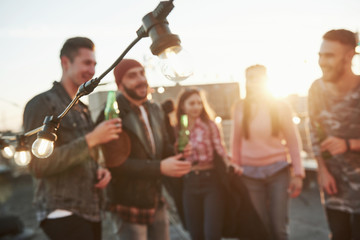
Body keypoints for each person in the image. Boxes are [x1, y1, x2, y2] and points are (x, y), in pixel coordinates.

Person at [23, 37, 122, 240]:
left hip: (90, 209)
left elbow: (85, 154)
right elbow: (38, 166)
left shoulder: (82, 108)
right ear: (65, 62)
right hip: (62, 212)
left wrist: (100, 169)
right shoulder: (42, 104)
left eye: (94, 64)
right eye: (86, 63)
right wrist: (91, 140)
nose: (92, 70)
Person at [97, 59, 192, 240]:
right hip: (127, 204)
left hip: (156, 199)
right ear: (119, 84)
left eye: (142, 73)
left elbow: (163, 149)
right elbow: (113, 163)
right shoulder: (111, 114)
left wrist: (178, 153)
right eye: (132, 76)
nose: (141, 79)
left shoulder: (155, 110)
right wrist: (160, 168)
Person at [231, 64, 305, 240]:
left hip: (278, 172)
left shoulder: (281, 107)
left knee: (278, 227)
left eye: (258, 77)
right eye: (250, 78)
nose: (254, 81)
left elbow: (293, 141)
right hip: (249, 174)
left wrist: (298, 173)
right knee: (260, 227)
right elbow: (235, 142)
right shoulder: (240, 107)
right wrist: (235, 169)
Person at [308, 29, 360, 240]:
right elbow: (313, 132)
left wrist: (349, 144)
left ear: (349, 56)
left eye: (329, 55)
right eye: (320, 55)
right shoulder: (316, 89)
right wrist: (322, 170)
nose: (322, 61)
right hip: (334, 186)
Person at [175, 88, 242, 240]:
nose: (196, 107)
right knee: (195, 234)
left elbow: (220, 150)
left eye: (199, 103)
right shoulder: (177, 127)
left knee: (212, 233)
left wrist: (231, 165)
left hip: (211, 181)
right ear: (183, 106)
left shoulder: (209, 125)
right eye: (192, 103)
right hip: (189, 182)